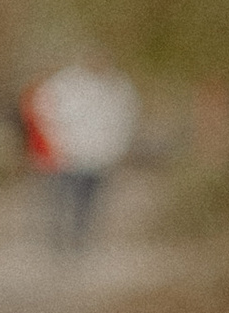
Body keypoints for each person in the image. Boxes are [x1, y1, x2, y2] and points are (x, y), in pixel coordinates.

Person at [20, 57, 140, 254]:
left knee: (88, 202)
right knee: (61, 199)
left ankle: (79, 239)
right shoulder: (66, 85)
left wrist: (115, 148)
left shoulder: (117, 87)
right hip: (68, 157)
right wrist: (58, 144)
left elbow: (124, 121)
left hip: (99, 157)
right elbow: (45, 113)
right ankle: (58, 240)